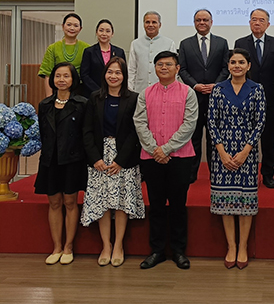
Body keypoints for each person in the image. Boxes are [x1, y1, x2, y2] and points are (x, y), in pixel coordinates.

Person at [133, 51, 198, 270]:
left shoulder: (188, 93)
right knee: (157, 205)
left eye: (168, 64)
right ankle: (157, 250)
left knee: (179, 205)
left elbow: (189, 125)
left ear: (177, 68)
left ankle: (179, 251)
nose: (164, 68)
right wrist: (154, 149)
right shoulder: (145, 93)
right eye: (159, 64)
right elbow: (139, 122)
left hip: (180, 158)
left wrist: (166, 149)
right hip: (151, 158)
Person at [80, 57, 143, 267]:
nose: (113, 76)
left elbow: (136, 133)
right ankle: (106, 245)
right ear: (104, 74)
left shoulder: (133, 99)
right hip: (99, 158)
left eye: (118, 73)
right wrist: (95, 158)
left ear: (124, 76)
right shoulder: (95, 97)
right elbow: (87, 131)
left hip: (123, 158)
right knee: (103, 203)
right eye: (110, 72)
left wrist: (121, 161)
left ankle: (118, 245)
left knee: (121, 204)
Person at [206, 48, 265, 269]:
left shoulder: (257, 90)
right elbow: (211, 121)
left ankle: (243, 246)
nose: (237, 66)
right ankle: (231, 246)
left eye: (241, 62)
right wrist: (221, 151)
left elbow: (260, 122)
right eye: (233, 62)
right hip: (222, 151)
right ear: (228, 66)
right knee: (226, 201)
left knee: (245, 201)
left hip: (247, 152)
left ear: (249, 66)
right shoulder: (218, 89)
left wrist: (245, 151)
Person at [34, 62, 89, 265]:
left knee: (69, 202)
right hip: (50, 160)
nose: (62, 80)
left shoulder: (82, 103)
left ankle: (68, 247)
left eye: (66, 76)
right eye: (58, 76)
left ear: (73, 79)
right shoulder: (45, 104)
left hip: (73, 160)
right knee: (54, 203)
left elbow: (85, 134)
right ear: (52, 79)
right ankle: (56, 246)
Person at [233, 8, 274, 189]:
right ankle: (248, 173)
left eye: (261, 20)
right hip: (245, 98)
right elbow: (237, 70)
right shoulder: (240, 42)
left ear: (268, 24)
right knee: (247, 138)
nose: (257, 23)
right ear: (249, 22)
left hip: (269, 98)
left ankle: (268, 174)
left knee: (268, 138)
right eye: (254, 19)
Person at [177, 9, 230, 183]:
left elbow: (225, 68)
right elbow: (182, 69)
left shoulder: (222, 43)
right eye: (198, 20)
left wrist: (217, 85)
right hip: (193, 97)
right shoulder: (185, 44)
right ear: (194, 22)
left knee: (215, 137)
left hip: (216, 97)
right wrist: (195, 85)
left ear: (211, 22)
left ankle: (215, 172)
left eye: (205, 20)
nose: (202, 22)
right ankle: (192, 174)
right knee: (194, 137)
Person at [39, 13, 92, 97]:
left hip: (81, 92)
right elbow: (48, 75)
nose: (72, 28)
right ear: (63, 26)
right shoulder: (52, 48)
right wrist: (49, 97)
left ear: (80, 29)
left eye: (76, 25)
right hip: (58, 91)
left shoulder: (87, 48)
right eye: (69, 25)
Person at [129, 11, 175, 93]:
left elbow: (173, 70)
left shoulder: (169, 43)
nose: (150, 25)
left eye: (154, 22)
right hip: (139, 90)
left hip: (163, 90)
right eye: (147, 22)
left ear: (159, 25)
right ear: (143, 24)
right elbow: (132, 69)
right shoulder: (135, 43)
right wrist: (130, 90)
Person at [80, 19, 126, 94]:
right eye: (101, 30)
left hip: (114, 92)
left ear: (112, 34)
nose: (104, 34)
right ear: (96, 32)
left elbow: (123, 73)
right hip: (93, 93)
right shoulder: (89, 51)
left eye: (108, 31)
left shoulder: (119, 52)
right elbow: (84, 75)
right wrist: (98, 91)